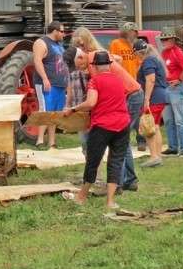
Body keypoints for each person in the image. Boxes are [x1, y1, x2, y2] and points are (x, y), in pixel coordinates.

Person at [74, 26, 141, 191]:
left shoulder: (93, 60)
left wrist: (80, 108)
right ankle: (129, 180)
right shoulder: (99, 56)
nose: (77, 68)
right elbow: (117, 60)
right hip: (133, 93)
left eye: (75, 62)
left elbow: (97, 93)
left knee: (118, 139)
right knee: (122, 141)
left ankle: (117, 183)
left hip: (131, 95)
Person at [62, 50, 130, 209]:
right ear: (109, 65)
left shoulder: (95, 81)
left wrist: (73, 109)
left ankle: (81, 197)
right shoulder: (119, 80)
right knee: (116, 162)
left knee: (93, 161)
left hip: (103, 126)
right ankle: (110, 201)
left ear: (96, 66)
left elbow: (91, 103)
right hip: (122, 124)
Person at [32, 21, 69, 149]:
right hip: (47, 83)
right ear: (55, 31)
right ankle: (40, 141)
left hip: (59, 84)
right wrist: (45, 79)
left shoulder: (59, 45)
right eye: (62, 31)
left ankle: (52, 142)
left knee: (54, 113)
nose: (64, 34)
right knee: (45, 111)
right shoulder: (41, 42)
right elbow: (37, 61)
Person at [110, 22, 147, 152]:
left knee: (138, 113)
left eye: (137, 32)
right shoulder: (116, 44)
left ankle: (141, 140)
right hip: (122, 85)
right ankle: (123, 140)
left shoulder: (134, 46)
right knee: (127, 114)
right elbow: (113, 62)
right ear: (126, 32)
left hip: (135, 83)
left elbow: (139, 62)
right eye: (134, 32)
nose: (136, 34)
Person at [133, 38, 168, 167]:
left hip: (154, 98)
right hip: (161, 97)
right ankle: (157, 156)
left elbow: (151, 80)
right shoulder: (155, 59)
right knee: (156, 127)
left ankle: (154, 156)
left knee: (148, 128)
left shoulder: (148, 61)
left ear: (138, 52)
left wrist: (146, 99)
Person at [159, 27, 183, 157]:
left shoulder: (176, 52)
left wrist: (179, 79)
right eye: (162, 39)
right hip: (167, 88)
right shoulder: (164, 53)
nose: (163, 41)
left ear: (172, 40)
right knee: (168, 120)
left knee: (180, 119)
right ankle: (173, 147)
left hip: (176, 89)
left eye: (165, 39)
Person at [64, 46, 90, 156]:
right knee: (85, 140)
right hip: (80, 109)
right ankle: (90, 165)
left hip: (86, 108)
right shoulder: (72, 74)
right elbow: (69, 92)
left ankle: (93, 168)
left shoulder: (87, 72)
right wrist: (67, 106)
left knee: (88, 140)